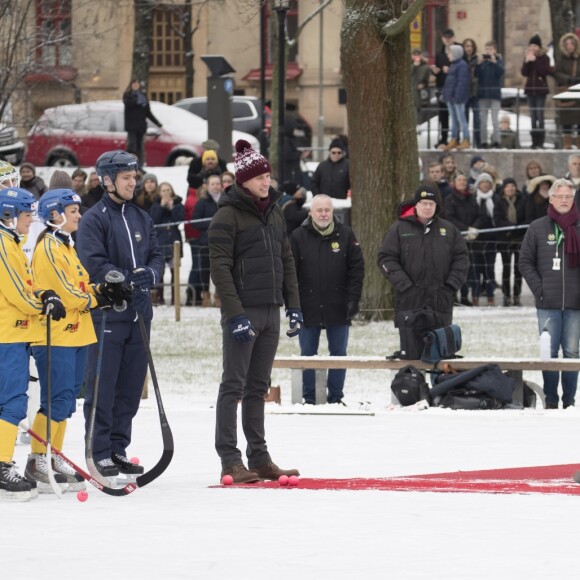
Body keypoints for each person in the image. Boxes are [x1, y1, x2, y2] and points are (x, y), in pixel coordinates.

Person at [208, 139, 301, 484]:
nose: (266, 182)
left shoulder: (275, 211)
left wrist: (294, 306)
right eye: (260, 177)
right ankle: (229, 458)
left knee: (258, 386)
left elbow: (286, 259)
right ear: (244, 180)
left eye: (268, 176)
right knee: (233, 384)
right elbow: (219, 269)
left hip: (270, 310)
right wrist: (235, 314)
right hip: (243, 311)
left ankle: (259, 457)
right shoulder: (226, 215)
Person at [76, 150, 164, 479]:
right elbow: (95, 263)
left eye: (134, 177)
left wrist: (150, 277)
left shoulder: (141, 217)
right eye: (126, 178)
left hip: (140, 316)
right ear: (108, 180)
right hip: (107, 316)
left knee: (129, 387)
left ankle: (117, 448)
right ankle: (97, 451)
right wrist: (129, 281)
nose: (133, 182)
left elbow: (157, 255)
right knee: (105, 385)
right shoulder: (94, 219)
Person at [27, 189, 116, 493]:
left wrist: (103, 290)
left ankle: (54, 453)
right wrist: (96, 298)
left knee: (66, 401)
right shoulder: (48, 247)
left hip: (77, 332)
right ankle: (39, 457)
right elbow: (66, 292)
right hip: (56, 334)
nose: (80, 215)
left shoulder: (67, 245)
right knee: (56, 398)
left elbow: (80, 283)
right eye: (74, 210)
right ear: (55, 214)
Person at [0, 186, 66, 501]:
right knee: (12, 402)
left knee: (11, 400)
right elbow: (15, 292)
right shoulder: (3, 243)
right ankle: (2, 465)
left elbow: (27, 283)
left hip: (17, 333)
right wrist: (44, 305)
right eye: (27, 215)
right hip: (7, 335)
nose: (31, 221)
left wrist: (45, 293)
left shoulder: (14, 242)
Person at [378, 184, 469, 358]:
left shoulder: (449, 230)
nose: (428, 207)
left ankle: (440, 386)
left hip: (440, 303)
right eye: (424, 203)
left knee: (441, 359)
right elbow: (385, 258)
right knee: (412, 359)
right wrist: (405, 285)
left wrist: (450, 286)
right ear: (416, 204)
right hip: (409, 303)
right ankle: (413, 385)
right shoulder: (399, 229)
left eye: (431, 204)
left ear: (437, 207)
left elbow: (462, 258)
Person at [290, 194, 364, 404]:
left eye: (327, 210)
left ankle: (336, 397)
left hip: (339, 305)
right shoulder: (297, 236)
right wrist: (293, 303)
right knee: (308, 353)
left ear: (333, 212)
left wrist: (353, 299)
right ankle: (309, 397)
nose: (323, 214)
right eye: (319, 210)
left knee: (339, 353)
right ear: (310, 213)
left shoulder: (346, 235)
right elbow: (290, 273)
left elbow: (357, 270)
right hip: (307, 305)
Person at [519, 178, 580, 409]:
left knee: (573, 353)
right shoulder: (537, 227)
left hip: (575, 303)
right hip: (547, 303)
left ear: (573, 199)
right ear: (551, 199)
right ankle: (552, 401)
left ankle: (570, 402)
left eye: (568, 197)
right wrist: (539, 289)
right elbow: (525, 261)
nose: (564, 201)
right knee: (550, 353)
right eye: (559, 196)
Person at [445, 171, 479, 305]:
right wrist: (466, 230)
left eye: (465, 180)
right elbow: (449, 217)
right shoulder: (449, 199)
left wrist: (474, 228)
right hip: (455, 239)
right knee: (454, 268)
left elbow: (479, 215)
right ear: (454, 183)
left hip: (471, 239)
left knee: (468, 268)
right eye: (460, 180)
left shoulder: (472, 198)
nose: (463, 182)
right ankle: (453, 296)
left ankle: (465, 296)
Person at [149, 182, 184, 305]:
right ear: (159, 192)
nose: (166, 193)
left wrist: (172, 208)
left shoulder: (178, 204)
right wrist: (162, 207)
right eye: (163, 190)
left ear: (172, 191)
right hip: (160, 242)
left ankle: (176, 299)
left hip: (174, 241)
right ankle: (160, 298)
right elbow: (153, 221)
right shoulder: (155, 205)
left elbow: (179, 220)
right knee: (160, 272)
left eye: (168, 190)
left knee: (175, 272)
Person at [493, 178, 526, 306]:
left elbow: (526, 218)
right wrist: (511, 227)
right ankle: (506, 296)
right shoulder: (499, 202)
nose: (510, 188)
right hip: (504, 240)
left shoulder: (522, 200)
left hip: (519, 239)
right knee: (506, 268)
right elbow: (498, 219)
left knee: (518, 269)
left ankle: (516, 296)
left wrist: (517, 228)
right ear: (504, 189)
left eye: (513, 186)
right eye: (507, 186)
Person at [192, 174, 223, 307]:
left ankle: (218, 295)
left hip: (223, 241)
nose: (215, 186)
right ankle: (206, 294)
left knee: (221, 269)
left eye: (217, 184)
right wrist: (212, 224)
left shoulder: (226, 200)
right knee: (205, 269)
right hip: (206, 241)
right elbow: (195, 221)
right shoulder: (202, 201)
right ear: (208, 186)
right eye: (213, 184)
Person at [431, 28, 460, 149]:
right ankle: (443, 138)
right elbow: (438, 70)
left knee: (456, 115)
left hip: (454, 88)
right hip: (442, 86)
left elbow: (463, 68)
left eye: (449, 37)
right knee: (443, 115)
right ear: (442, 39)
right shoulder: (439, 52)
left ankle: (456, 138)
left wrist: (450, 70)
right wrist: (435, 71)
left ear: (453, 38)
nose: (447, 40)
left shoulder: (459, 50)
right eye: (445, 37)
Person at [521, 34, 551, 149]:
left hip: (540, 90)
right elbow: (524, 72)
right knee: (533, 116)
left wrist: (535, 61)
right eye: (531, 45)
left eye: (535, 45)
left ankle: (541, 141)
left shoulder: (544, 58)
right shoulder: (527, 57)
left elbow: (544, 71)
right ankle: (534, 141)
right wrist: (527, 62)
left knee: (540, 115)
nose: (532, 48)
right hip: (530, 90)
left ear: (539, 47)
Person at [123, 79, 163, 165]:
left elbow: (148, 112)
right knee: (131, 146)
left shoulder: (143, 96)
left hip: (141, 126)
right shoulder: (127, 95)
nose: (135, 85)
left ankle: (139, 164)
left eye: (137, 84)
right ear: (131, 85)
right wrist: (137, 100)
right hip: (131, 125)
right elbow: (128, 104)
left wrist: (157, 122)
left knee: (139, 147)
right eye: (134, 84)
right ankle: (128, 163)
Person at [553, 32, 580, 150]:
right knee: (566, 121)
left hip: (578, 92)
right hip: (566, 93)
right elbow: (556, 73)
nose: (570, 46)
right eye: (567, 43)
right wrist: (568, 78)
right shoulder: (561, 59)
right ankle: (567, 145)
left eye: (572, 43)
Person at [475, 40, 504, 148]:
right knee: (483, 120)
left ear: (495, 51)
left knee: (495, 120)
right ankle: (483, 141)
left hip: (494, 94)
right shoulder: (483, 62)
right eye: (487, 49)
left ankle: (497, 141)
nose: (488, 51)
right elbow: (476, 74)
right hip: (483, 94)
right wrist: (479, 63)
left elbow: (501, 72)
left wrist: (494, 62)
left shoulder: (499, 61)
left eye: (491, 49)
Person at [441, 44, 470, 150]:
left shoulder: (462, 65)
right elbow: (449, 82)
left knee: (461, 119)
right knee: (453, 119)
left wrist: (458, 96)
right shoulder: (453, 65)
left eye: (450, 53)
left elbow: (462, 82)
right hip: (451, 97)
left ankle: (466, 139)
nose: (448, 55)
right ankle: (454, 138)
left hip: (457, 98)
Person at [462, 38, 481, 148]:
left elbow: (480, 75)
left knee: (477, 119)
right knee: (465, 119)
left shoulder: (477, 60)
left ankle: (477, 141)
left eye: (470, 46)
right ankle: (466, 140)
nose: (468, 48)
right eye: (466, 46)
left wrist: (479, 64)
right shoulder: (461, 60)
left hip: (475, 92)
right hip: (465, 93)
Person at [411, 48, 432, 125]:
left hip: (418, 92)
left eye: (418, 54)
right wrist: (414, 66)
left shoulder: (425, 67)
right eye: (414, 54)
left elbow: (426, 80)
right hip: (408, 92)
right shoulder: (408, 64)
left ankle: (417, 126)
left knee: (417, 109)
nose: (416, 56)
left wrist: (423, 85)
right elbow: (406, 75)